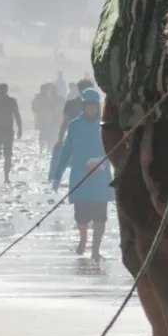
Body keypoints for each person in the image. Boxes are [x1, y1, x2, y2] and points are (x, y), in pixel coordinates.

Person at [52, 87, 112, 261]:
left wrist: (103, 161)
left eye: (94, 105)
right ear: (83, 105)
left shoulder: (105, 125)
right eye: (88, 105)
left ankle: (95, 249)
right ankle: (83, 239)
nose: (91, 108)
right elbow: (66, 151)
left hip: (101, 176)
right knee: (82, 214)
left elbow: (114, 150)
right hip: (80, 175)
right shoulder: (75, 125)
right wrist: (57, 175)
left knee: (101, 215)